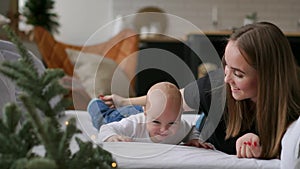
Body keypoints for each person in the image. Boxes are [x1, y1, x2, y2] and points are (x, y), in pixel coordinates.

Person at [101, 22, 300, 159]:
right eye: (226, 67)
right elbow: (170, 97)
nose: (227, 78)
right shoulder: (217, 87)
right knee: (119, 119)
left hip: (187, 128)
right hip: (166, 117)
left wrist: (262, 148)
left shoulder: (293, 110)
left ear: (269, 77)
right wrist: (124, 101)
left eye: (238, 74)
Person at [98, 82, 203, 145]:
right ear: (145, 113)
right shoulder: (135, 125)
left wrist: (194, 139)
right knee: (105, 117)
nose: (163, 130)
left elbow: (192, 130)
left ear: (181, 114)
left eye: (171, 123)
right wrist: (111, 137)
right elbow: (105, 128)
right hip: (128, 116)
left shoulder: (181, 127)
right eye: (156, 122)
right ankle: (96, 103)